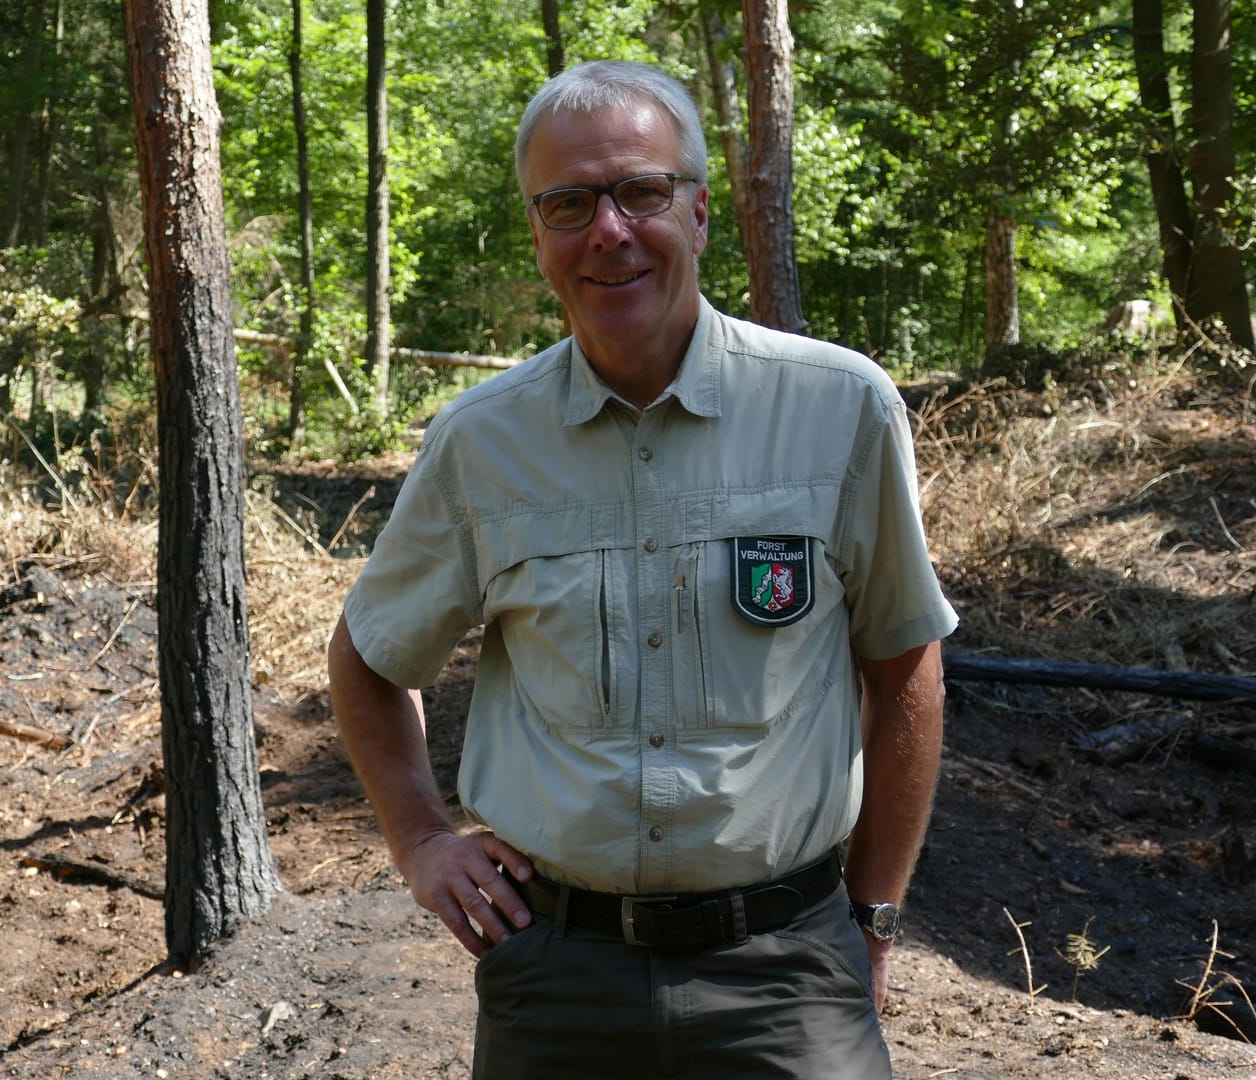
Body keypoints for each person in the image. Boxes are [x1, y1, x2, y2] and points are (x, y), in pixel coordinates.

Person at [326, 59, 957, 1077]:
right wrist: (421, 844)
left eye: (640, 192)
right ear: (538, 236)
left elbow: (905, 665)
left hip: (788, 976)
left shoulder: (840, 411)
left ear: (700, 214)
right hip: (558, 976)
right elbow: (368, 659)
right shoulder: (483, 444)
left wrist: (874, 917)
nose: (608, 232)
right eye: (568, 203)